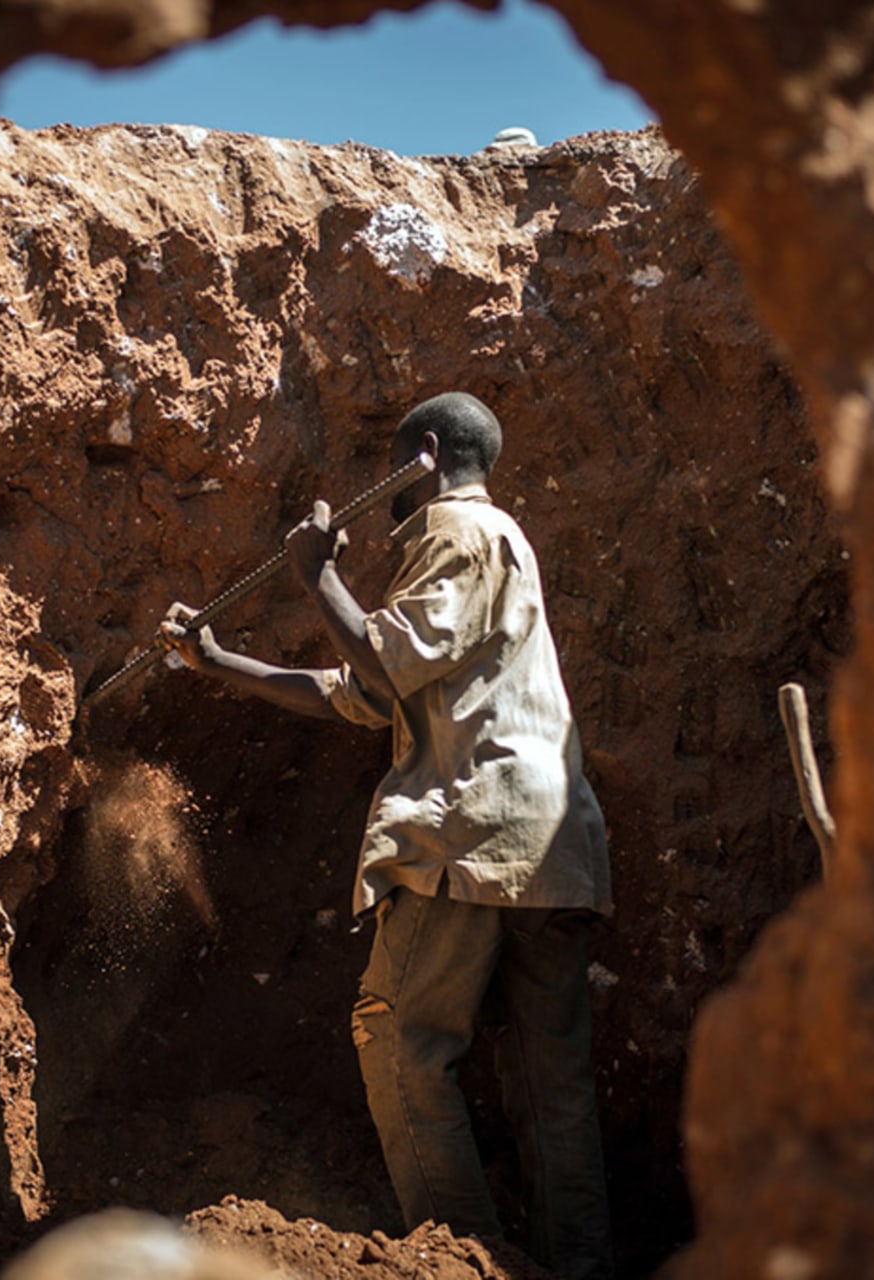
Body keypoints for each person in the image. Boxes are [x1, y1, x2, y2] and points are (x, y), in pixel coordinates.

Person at [161, 391, 614, 1280]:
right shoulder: (503, 552)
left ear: (427, 456)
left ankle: (465, 1266)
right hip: (555, 846)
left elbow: (383, 661)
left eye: (395, 471)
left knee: (400, 1043)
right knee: (550, 1082)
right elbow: (361, 692)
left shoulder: (455, 530)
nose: (387, 498)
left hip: (471, 836)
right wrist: (217, 663)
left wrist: (317, 575)